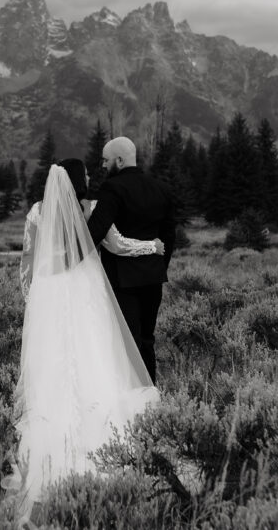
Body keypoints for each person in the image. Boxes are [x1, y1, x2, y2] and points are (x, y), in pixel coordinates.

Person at [9, 159, 161, 525]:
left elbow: (27, 261)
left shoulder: (37, 212)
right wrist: (152, 247)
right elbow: (118, 245)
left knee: (52, 372)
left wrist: (33, 303)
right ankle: (106, 457)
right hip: (82, 293)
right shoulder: (90, 210)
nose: (91, 177)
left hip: (49, 294)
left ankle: (51, 464)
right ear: (77, 179)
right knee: (96, 360)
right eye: (87, 174)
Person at [87, 136, 176, 385]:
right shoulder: (161, 188)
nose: (103, 165)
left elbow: (95, 231)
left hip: (122, 280)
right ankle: (149, 394)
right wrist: (158, 267)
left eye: (106, 160)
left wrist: (69, 259)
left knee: (126, 341)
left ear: (119, 160)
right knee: (147, 340)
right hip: (153, 278)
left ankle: (131, 397)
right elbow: (169, 237)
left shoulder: (112, 188)